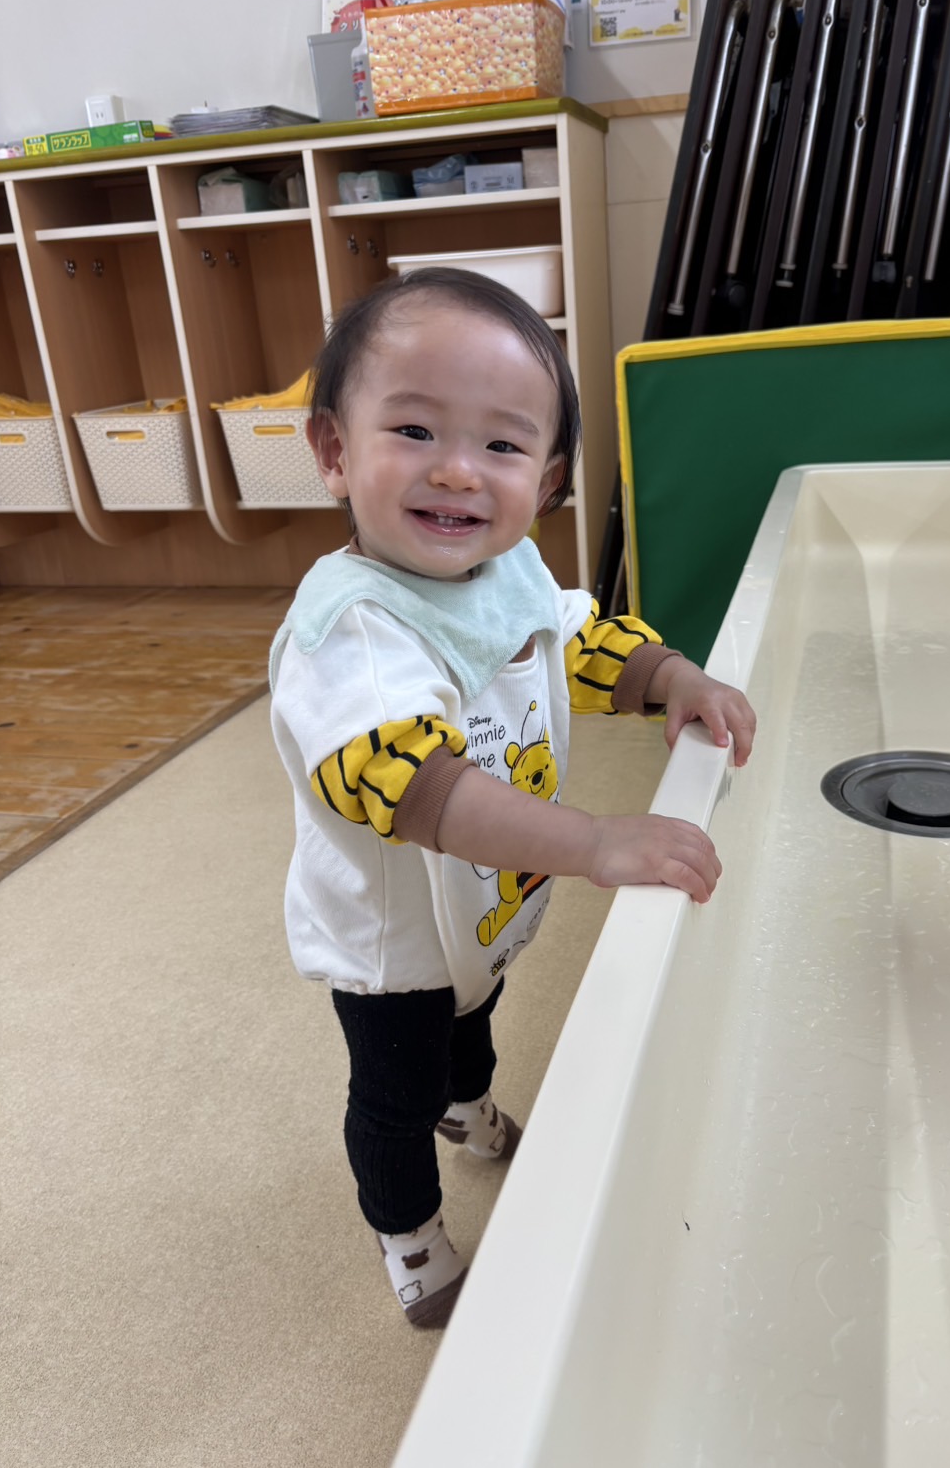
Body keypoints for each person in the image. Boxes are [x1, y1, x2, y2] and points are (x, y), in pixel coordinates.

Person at [269, 267, 756, 1328]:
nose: (456, 469)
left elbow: (580, 638)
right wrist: (596, 840)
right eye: (413, 429)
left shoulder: (513, 572)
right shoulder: (350, 629)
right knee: (392, 1097)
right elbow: (416, 789)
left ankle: (471, 1102)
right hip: (393, 946)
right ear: (334, 450)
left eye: (500, 444)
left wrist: (670, 675)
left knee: (476, 1028)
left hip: (483, 914)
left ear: (547, 480)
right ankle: (409, 1233)